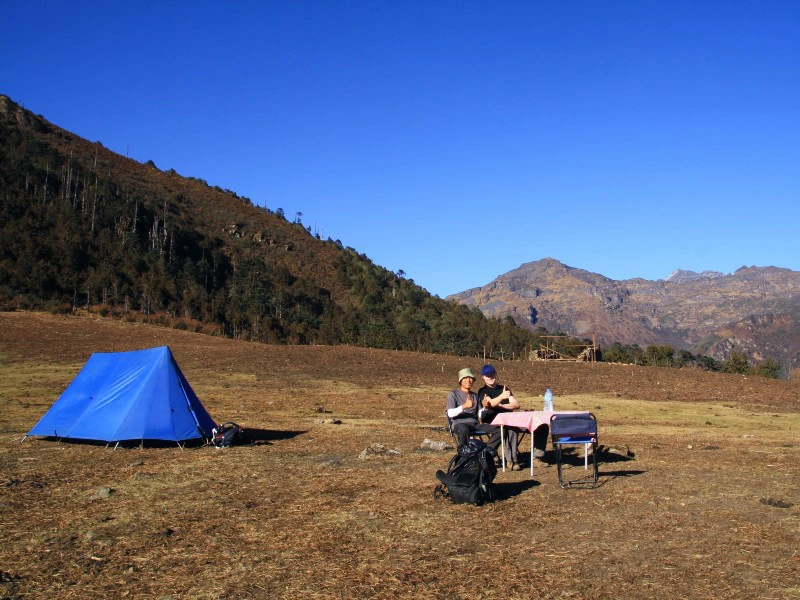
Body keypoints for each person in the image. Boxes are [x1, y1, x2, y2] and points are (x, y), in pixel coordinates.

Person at [477, 364, 523, 470]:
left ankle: (514, 460)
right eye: (487, 375)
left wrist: (501, 405)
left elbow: (516, 405)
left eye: (492, 374)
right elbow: (490, 403)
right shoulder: (483, 391)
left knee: (540, 427)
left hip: (509, 419)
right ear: (483, 377)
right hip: (493, 421)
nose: (490, 377)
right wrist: (502, 397)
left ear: (495, 374)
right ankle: (511, 460)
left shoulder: (504, 388)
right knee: (507, 428)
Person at [446, 367, 501, 452]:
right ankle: (463, 454)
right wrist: (464, 406)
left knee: (500, 429)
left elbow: (479, 415)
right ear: (460, 381)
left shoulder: (475, 396)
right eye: (465, 378)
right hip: (459, 424)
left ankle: (486, 452)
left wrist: (485, 407)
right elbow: (450, 413)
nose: (468, 380)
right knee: (464, 430)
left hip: (475, 424)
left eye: (470, 378)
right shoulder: (453, 394)